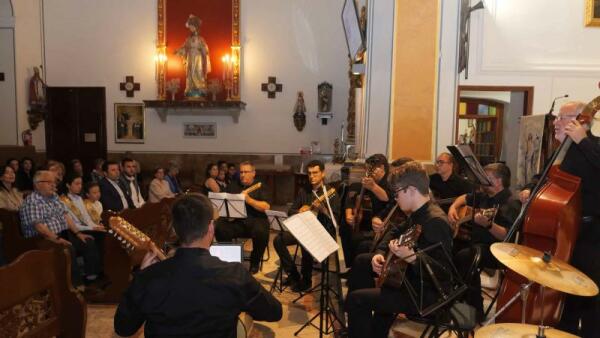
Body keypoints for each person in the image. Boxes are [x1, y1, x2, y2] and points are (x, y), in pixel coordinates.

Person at [113, 194, 282, 337]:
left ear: (176, 231)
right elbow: (274, 312)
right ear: (210, 229)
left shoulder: (148, 277)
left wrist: (140, 280)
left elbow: (123, 328)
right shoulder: (235, 274)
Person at [344, 161, 453, 338]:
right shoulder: (418, 213)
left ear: (410, 190)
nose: (395, 198)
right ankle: (372, 331)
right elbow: (395, 230)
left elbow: (443, 273)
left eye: (397, 193)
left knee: (356, 299)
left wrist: (412, 258)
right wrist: (379, 254)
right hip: (410, 280)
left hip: (426, 294)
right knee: (364, 261)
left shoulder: (436, 222)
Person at [534, 101, 600, 338]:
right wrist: (530, 189)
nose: (555, 123)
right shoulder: (562, 151)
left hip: (590, 235)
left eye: (561, 118)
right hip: (564, 232)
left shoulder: (593, 145)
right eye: (556, 118)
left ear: (581, 120)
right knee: (566, 293)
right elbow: (543, 178)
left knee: (590, 297)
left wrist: (583, 140)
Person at [448, 162, 521, 321]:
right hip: (476, 244)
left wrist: (488, 225)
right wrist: (453, 208)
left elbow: (506, 236)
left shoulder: (511, 202)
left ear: (497, 181)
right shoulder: (484, 195)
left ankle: (474, 311)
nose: (481, 181)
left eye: (485, 177)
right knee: (448, 250)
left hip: (499, 250)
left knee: (467, 258)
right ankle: (456, 301)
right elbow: (463, 198)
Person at [19, 170, 101, 287]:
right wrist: (57, 239)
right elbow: (39, 227)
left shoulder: (54, 197)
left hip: (62, 234)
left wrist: (78, 233)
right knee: (67, 249)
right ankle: (74, 286)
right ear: (37, 184)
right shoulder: (32, 202)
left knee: (88, 241)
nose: (54, 185)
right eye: (49, 182)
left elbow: (65, 215)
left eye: (54, 182)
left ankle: (92, 279)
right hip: (41, 240)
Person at [273, 160, 340, 292]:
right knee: (278, 240)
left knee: (305, 241)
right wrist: (300, 210)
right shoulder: (304, 191)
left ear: (323, 174)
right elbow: (290, 210)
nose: (311, 176)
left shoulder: (330, 193)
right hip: (303, 228)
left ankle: (306, 280)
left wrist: (323, 209)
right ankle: (294, 275)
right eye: (309, 173)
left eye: (315, 173)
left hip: (322, 231)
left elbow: (335, 221)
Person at [214, 161, 270, 274]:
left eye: (246, 172)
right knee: (220, 227)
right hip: (237, 222)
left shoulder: (261, 185)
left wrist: (248, 200)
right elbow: (224, 202)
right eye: (241, 172)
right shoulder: (233, 185)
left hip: (256, 220)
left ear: (253, 173)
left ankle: (255, 262)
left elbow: (266, 206)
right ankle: (230, 260)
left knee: (262, 231)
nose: (243, 174)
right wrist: (227, 214)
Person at [343, 154, 391, 264]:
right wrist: (350, 214)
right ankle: (350, 265)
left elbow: (388, 198)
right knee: (346, 229)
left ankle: (354, 267)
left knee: (358, 240)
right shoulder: (372, 182)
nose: (369, 172)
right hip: (371, 222)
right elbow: (353, 197)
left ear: (382, 168)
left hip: (381, 226)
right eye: (367, 169)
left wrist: (373, 187)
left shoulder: (389, 183)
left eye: (372, 169)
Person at [175, 14, 211, 99]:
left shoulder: (200, 39)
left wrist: (203, 52)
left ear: (196, 27)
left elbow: (205, 50)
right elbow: (184, 48)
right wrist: (178, 51)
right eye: (190, 27)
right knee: (190, 73)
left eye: (192, 27)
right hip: (190, 58)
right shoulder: (188, 39)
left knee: (198, 72)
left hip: (198, 59)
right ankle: (190, 88)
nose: (190, 29)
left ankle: (199, 88)